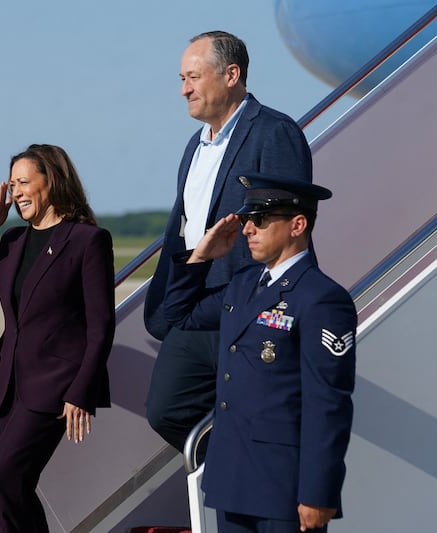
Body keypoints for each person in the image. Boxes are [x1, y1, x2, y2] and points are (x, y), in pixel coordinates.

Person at [144, 30, 314, 452]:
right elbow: (183, 227)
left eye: (193, 77)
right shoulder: (193, 147)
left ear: (231, 75)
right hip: (196, 305)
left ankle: (248, 476)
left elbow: (289, 226)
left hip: (249, 304)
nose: (184, 89)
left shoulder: (275, 132)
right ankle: (234, 462)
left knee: (259, 412)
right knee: (165, 409)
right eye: (181, 79)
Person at [164, 174, 356, 532]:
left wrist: (318, 493)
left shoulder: (321, 297)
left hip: (283, 486)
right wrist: (201, 257)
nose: (249, 228)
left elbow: (328, 403)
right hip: (233, 478)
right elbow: (178, 315)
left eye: (261, 219)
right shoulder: (244, 284)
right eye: (248, 218)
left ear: (297, 224)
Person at [0, 143, 115, 533]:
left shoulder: (86, 241)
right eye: (12, 186)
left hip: (55, 386)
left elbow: (101, 326)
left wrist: (81, 391)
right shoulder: (12, 242)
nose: (17, 193)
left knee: (5, 479)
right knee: (3, 487)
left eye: (24, 182)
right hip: (11, 386)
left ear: (52, 180)